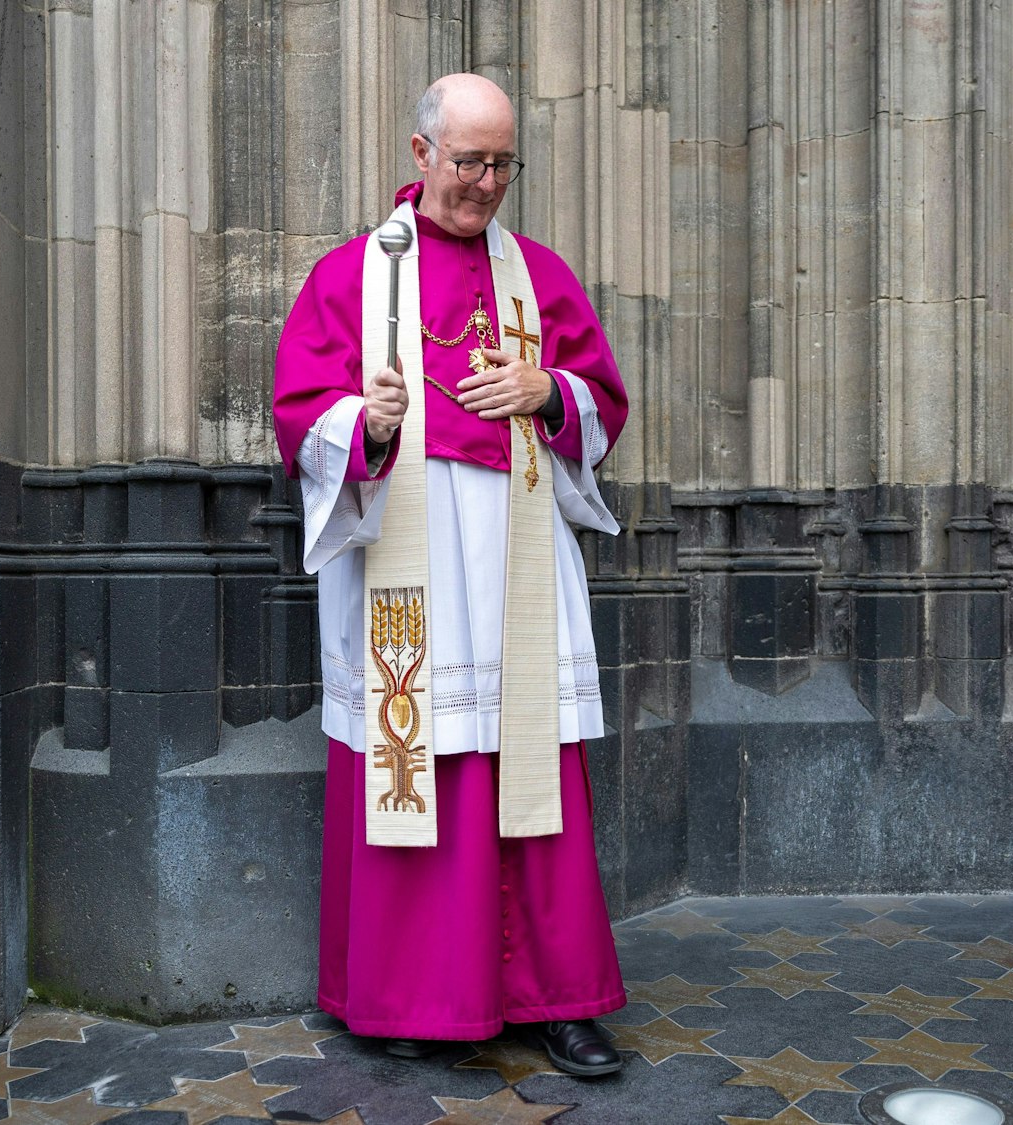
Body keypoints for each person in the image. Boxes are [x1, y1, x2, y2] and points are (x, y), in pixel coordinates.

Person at [272, 73, 631, 1076]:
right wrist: (364, 422)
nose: (481, 183)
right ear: (420, 152)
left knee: (531, 773)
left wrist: (545, 388)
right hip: (407, 555)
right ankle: (404, 993)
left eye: (499, 164)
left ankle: (556, 999)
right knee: (411, 763)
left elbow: (599, 399)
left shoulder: (541, 276)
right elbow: (300, 410)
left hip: (515, 553)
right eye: (466, 159)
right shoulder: (349, 276)